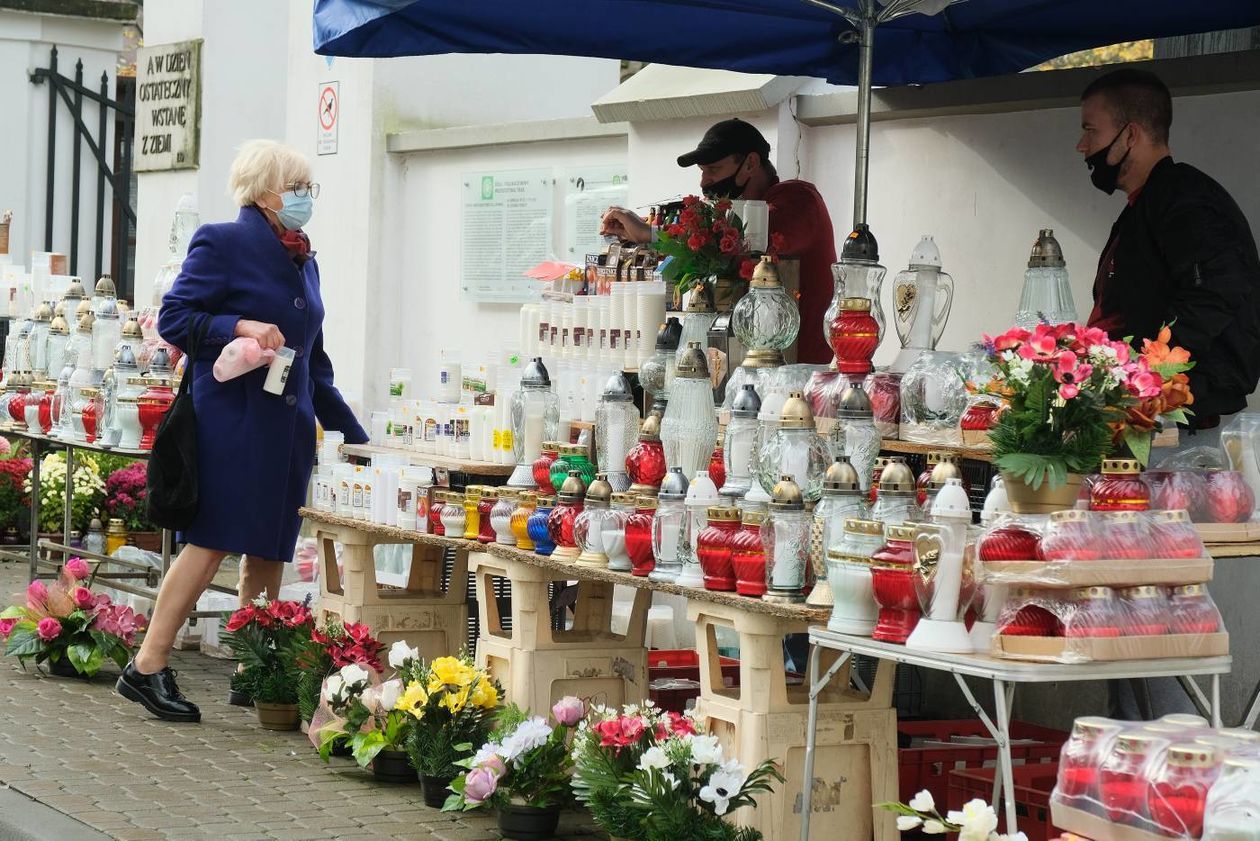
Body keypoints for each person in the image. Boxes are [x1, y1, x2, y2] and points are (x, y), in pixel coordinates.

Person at [116, 140, 368, 723]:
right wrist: (240, 323)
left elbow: (314, 359)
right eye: (298, 188)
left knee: (270, 547)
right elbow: (174, 318)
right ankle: (147, 666)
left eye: (310, 188)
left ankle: (253, 668)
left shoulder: (304, 256)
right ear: (265, 192)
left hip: (288, 428)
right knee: (212, 542)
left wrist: (352, 435)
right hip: (232, 422)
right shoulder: (223, 241)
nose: (306, 198)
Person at [1078, 68, 1260, 449]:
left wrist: (1149, 378)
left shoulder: (1187, 200)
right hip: (1144, 419)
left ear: (1130, 134)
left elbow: (1215, 293)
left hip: (1181, 428)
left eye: (1091, 130)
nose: (1082, 145)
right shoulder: (1146, 206)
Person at [600, 118, 838, 363]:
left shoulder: (799, 200)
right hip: (750, 366)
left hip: (802, 373)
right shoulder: (737, 215)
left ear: (751, 163)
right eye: (703, 172)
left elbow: (741, 238)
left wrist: (650, 233)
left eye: (713, 170)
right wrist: (640, 231)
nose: (704, 182)